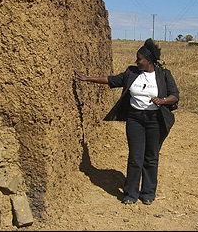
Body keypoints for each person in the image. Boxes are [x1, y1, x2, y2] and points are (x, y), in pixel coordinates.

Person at [74, 39, 179, 206]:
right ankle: (131, 193)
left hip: (155, 121)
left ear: (149, 60)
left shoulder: (164, 74)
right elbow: (112, 80)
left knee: (151, 157)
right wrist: (87, 79)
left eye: (139, 59)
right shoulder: (132, 72)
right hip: (135, 119)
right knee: (135, 157)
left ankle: (148, 193)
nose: (136, 61)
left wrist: (162, 100)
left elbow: (175, 95)